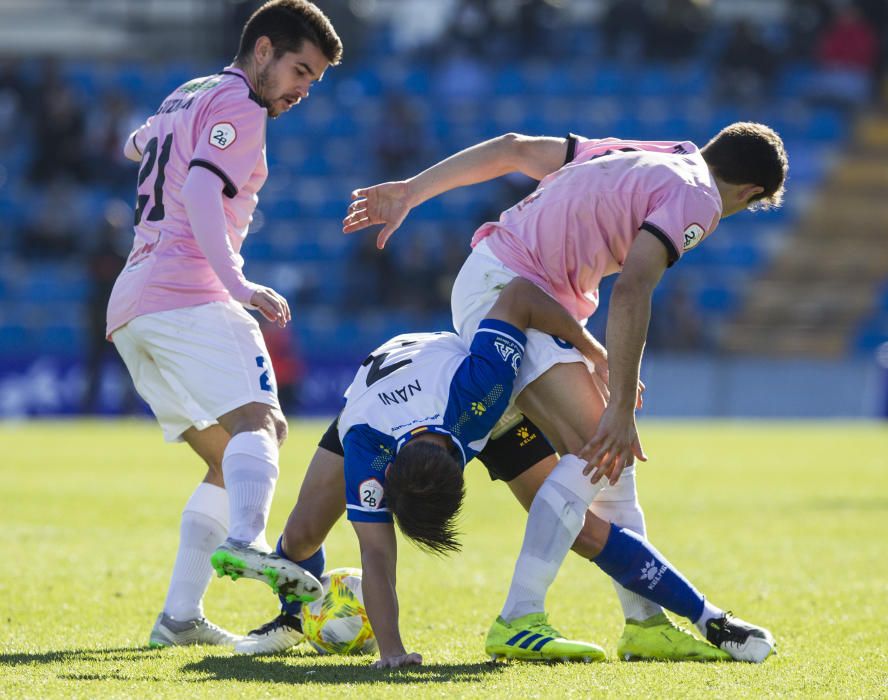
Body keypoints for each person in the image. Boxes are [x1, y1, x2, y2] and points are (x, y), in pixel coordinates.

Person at [343, 123, 788, 663]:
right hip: (515, 294)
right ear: (749, 195)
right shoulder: (702, 198)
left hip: (501, 282)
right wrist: (621, 405)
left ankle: (644, 623)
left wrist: (412, 189)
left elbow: (513, 149)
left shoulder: (654, 153)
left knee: (611, 464)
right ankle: (519, 617)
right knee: (600, 446)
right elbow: (632, 288)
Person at [225, 278, 771, 667]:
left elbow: (519, 296)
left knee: (578, 528)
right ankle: (295, 615)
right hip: (369, 404)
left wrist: (592, 349)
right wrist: (392, 653)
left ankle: (708, 617)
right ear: (386, 475)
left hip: (476, 408)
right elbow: (377, 555)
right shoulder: (366, 446)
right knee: (299, 535)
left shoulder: (481, 388)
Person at [105, 0, 343, 647]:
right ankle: (248, 540)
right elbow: (201, 192)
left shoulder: (189, 93)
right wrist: (237, 283)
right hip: (186, 292)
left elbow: (134, 144)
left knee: (225, 462)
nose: (302, 91)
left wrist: (151, 140)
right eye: (300, 71)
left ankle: (179, 618)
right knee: (262, 422)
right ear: (262, 50)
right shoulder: (240, 104)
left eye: (314, 81)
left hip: (132, 306)